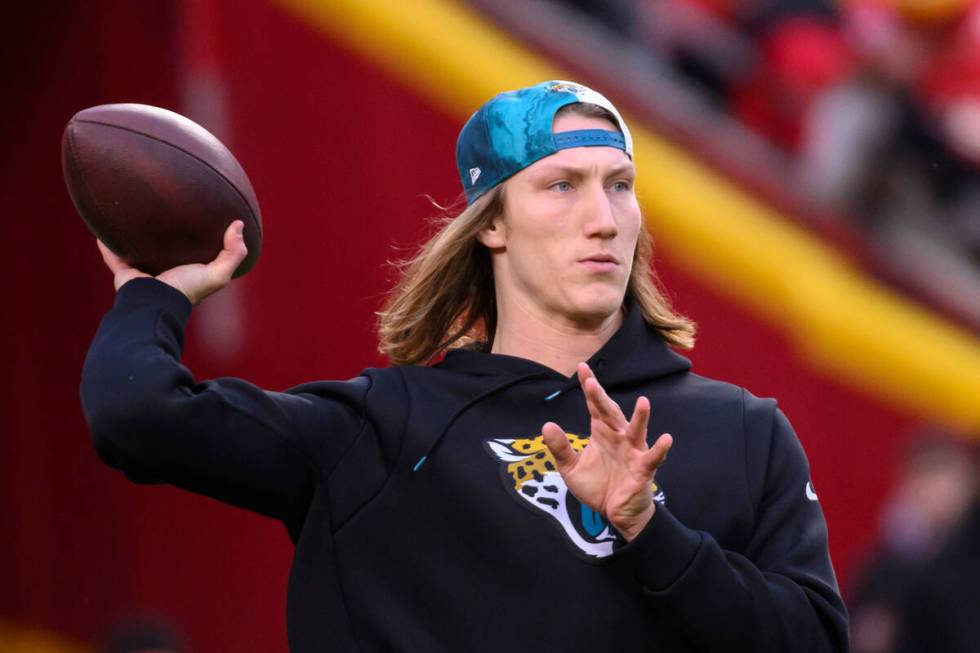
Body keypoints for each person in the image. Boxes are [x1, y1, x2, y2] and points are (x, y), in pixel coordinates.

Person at [81, 80, 848, 652]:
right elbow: (138, 416)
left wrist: (649, 526)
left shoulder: (741, 430)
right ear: (492, 227)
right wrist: (154, 295)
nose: (604, 218)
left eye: (620, 185)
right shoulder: (386, 425)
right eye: (561, 186)